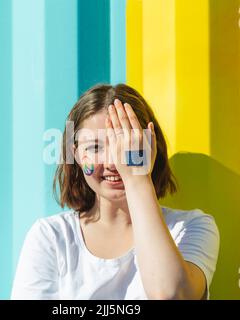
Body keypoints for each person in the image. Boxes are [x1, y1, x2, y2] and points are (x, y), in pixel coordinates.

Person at [11, 83, 219, 300]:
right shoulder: (50, 237)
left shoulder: (191, 227)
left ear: (151, 148)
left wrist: (137, 179)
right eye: (95, 147)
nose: (113, 162)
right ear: (76, 156)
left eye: (125, 145)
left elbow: (171, 295)